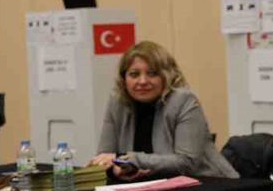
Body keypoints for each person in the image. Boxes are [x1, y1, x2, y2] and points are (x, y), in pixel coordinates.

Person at [88, 41, 237, 180]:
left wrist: (131, 159)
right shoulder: (118, 102)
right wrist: (117, 170)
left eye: (152, 74)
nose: (142, 81)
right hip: (149, 186)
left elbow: (187, 163)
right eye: (134, 74)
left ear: (167, 76)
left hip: (208, 183)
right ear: (124, 78)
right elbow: (104, 156)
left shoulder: (183, 100)